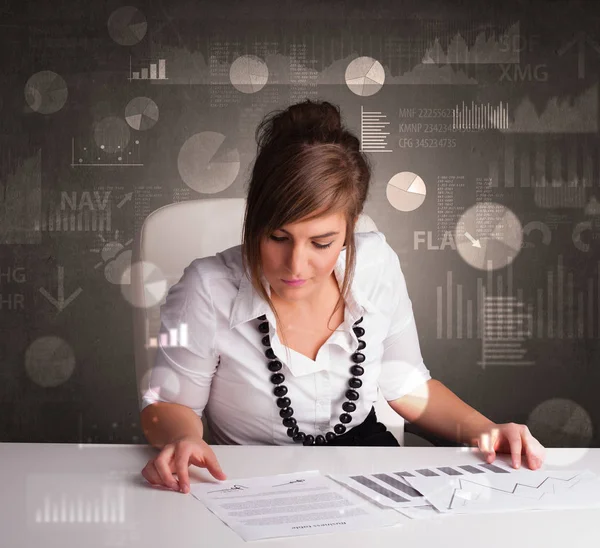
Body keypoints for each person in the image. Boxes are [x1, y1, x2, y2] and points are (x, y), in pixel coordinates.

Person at [140, 100, 546, 495]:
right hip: (254, 482)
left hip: (367, 465)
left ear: (349, 231)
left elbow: (406, 385)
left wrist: (486, 429)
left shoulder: (376, 265)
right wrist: (182, 438)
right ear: (254, 222)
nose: (295, 264)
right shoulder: (207, 288)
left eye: (322, 242)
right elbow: (170, 405)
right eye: (278, 237)